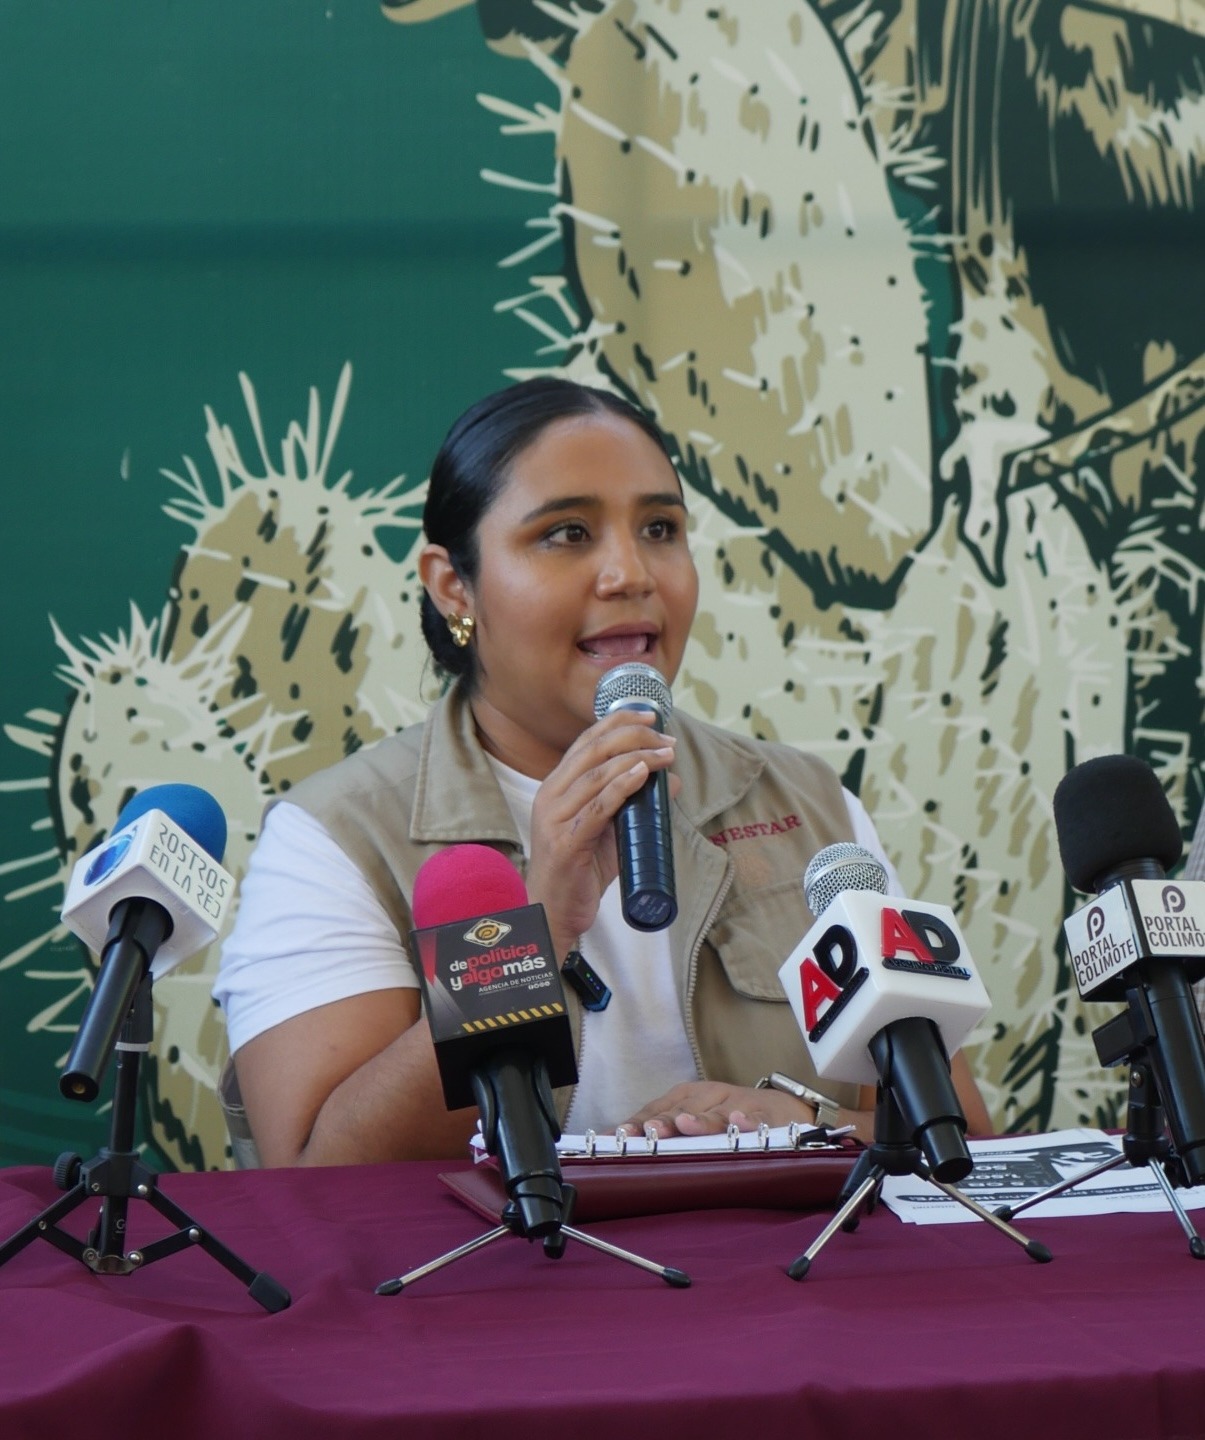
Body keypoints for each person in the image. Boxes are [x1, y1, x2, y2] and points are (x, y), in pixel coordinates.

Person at [214, 377, 991, 1166]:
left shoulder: (808, 805)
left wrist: (799, 1124)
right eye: (567, 534)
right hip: (505, 1254)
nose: (630, 573)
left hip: (795, 1250)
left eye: (659, 528)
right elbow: (318, 1175)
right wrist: (535, 934)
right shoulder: (335, 837)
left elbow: (961, 1141)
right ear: (454, 587)